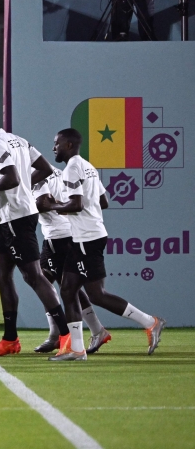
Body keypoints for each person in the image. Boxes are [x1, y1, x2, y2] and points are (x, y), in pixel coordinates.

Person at [40, 129, 166, 361]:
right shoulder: (88, 166)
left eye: (56, 144)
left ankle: (150, 322)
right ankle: (77, 349)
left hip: (87, 239)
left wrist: (51, 206)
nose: (53, 148)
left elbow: (76, 204)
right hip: (86, 237)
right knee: (68, 289)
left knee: (96, 295)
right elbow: (103, 201)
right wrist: (66, 205)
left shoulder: (72, 169)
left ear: (68, 145)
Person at [0, 110, 70, 357]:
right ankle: (10, 339)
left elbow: (11, 178)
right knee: (1, 274)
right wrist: (25, 185)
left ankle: (67, 335)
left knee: (34, 276)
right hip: (10, 218)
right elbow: (44, 168)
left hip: (17, 217)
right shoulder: (17, 140)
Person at [32, 166, 109, 354]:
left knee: (54, 284)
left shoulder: (34, 174)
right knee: (55, 283)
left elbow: (41, 203)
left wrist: (18, 204)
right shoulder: (56, 171)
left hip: (60, 236)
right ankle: (89, 330)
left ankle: (62, 334)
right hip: (58, 235)